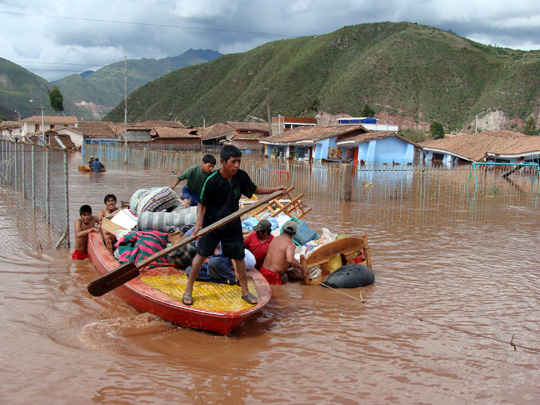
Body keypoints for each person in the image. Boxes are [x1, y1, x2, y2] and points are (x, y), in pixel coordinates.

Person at [181, 145, 286, 306]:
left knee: (239, 258)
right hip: (212, 224)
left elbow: (254, 188)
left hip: (232, 224)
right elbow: (202, 204)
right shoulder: (211, 180)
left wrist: (274, 190)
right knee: (200, 256)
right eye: (233, 161)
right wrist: (198, 225)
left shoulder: (240, 177)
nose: (237, 165)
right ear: (223, 162)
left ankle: (245, 292)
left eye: (239, 161)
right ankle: (188, 291)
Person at [259, 220, 308, 285]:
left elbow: (277, 257)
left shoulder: (275, 238)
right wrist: (303, 268)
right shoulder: (290, 244)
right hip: (272, 275)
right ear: (295, 233)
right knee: (276, 294)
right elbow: (290, 260)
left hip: (262, 270)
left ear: (283, 230)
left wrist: (286, 271)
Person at [185, 248, 256, 285]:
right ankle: (222, 280)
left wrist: (237, 271)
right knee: (189, 271)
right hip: (213, 260)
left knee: (213, 261)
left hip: (223, 260)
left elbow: (233, 255)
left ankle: (232, 278)